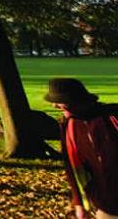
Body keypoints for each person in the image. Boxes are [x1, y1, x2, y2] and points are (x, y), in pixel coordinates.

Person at [48, 77, 118, 219]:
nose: (54, 106)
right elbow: (72, 168)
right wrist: (79, 204)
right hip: (105, 204)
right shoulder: (69, 126)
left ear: (75, 100)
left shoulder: (112, 116)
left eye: (58, 101)